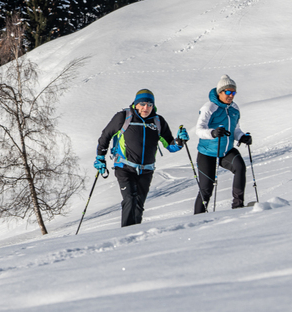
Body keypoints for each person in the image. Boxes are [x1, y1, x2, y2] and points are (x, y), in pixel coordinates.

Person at [96, 89, 189, 227]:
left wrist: (180, 141)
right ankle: (126, 233)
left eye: (150, 105)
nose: (146, 108)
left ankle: (135, 234)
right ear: (136, 104)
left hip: (146, 170)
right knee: (130, 199)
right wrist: (100, 158)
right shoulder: (124, 117)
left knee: (139, 204)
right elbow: (106, 135)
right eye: (143, 104)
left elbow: (170, 146)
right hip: (124, 167)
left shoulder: (158, 121)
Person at [193, 75, 253, 213]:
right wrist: (213, 133)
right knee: (206, 189)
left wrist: (242, 137)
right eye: (228, 92)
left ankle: (238, 206)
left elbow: (235, 129)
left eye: (233, 92)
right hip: (207, 152)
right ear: (220, 92)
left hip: (226, 151)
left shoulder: (234, 108)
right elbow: (199, 130)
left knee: (240, 167)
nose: (231, 95)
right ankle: (197, 217)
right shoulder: (209, 107)